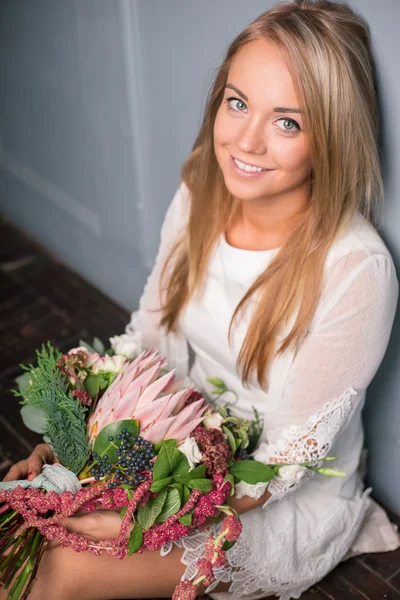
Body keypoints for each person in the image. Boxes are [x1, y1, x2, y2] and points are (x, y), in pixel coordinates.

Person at [2, 1, 400, 598]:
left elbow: (287, 464)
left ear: (332, 138)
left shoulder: (356, 271)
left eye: (286, 122)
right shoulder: (200, 191)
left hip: (267, 499)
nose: (245, 140)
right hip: (162, 445)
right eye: (237, 102)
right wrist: (72, 453)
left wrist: (148, 515)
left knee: (65, 566)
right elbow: (150, 334)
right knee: (19, 529)